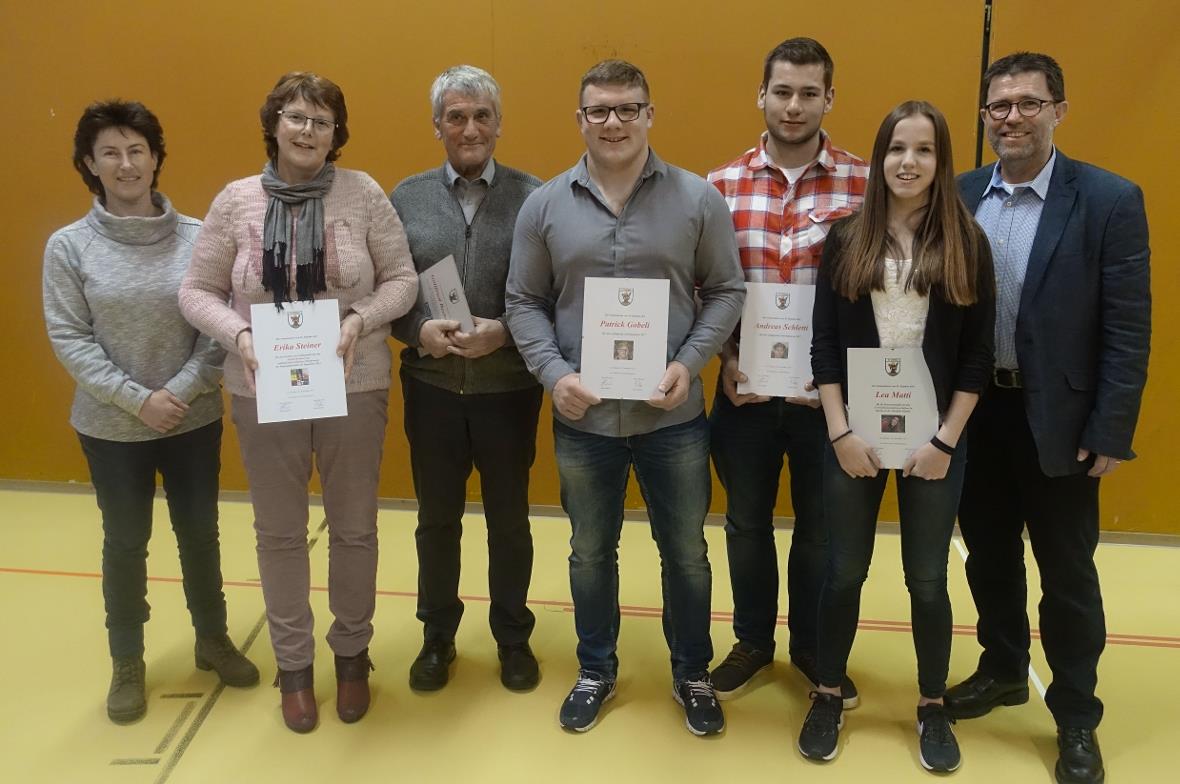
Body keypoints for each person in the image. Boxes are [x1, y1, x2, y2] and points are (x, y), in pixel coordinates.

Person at [506, 59, 745, 736]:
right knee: (589, 551)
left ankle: (692, 672)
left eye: (628, 108)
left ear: (650, 115)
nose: (614, 122)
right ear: (579, 120)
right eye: (599, 111)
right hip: (584, 419)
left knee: (687, 553)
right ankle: (595, 669)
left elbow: (726, 290)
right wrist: (556, 375)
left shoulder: (699, 200)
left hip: (674, 417)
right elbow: (522, 302)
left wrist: (688, 363)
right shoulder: (545, 205)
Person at [179, 72, 418, 733]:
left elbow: (402, 280)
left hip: (356, 381)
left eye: (322, 121)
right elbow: (195, 291)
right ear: (274, 123)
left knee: (354, 529)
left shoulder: (364, 194)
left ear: (337, 134)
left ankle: (351, 656)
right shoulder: (235, 201)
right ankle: (293, 668)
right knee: (279, 534)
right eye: (296, 117)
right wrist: (240, 334)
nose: (308, 130)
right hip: (262, 387)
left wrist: (359, 320)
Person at [945, 52, 1150, 784]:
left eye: (1028, 103)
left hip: (1061, 421)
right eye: (999, 106)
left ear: (1059, 109)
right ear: (984, 117)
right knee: (989, 557)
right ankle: (1002, 668)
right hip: (976, 413)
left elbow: (1128, 326)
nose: (1012, 117)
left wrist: (1111, 427)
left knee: (1067, 575)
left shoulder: (1109, 199)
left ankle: (1075, 715)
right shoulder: (959, 193)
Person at [43, 100, 258, 725]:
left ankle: (212, 639)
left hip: (191, 419)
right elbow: (69, 338)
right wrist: (140, 400)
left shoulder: (198, 237)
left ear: (157, 158)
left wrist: (182, 392)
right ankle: (128, 661)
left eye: (137, 149)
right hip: (111, 427)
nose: (126, 163)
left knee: (200, 534)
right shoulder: (69, 247)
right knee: (126, 542)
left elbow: (220, 326)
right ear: (90, 163)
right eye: (110, 151)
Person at [798, 101, 995, 773]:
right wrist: (840, 432)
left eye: (924, 150)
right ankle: (827, 691)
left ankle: (933, 704)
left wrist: (943, 443)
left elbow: (975, 359)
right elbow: (822, 347)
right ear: (879, 159)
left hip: (933, 440)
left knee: (927, 578)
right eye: (896, 149)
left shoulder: (968, 243)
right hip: (854, 435)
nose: (908, 162)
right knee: (843, 571)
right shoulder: (846, 238)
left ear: (942, 162)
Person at [706, 37, 868, 706]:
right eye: (783, 91)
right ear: (761, 96)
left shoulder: (867, 184)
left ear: (829, 98)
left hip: (827, 404)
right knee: (745, 524)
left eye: (809, 93)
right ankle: (751, 639)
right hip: (744, 396)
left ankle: (808, 644)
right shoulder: (716, 187)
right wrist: (724, 356)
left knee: (820, 531)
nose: (794, 105)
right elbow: (701, 290)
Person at [389, 65, 544, 693]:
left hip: (509, 388)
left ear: (499, 124)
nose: (470, 127)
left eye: (482, 115)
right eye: (456, 116)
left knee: (509, 521)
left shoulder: (536, 197)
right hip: (431, 389)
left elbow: (550, 293)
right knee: (437, 520)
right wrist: (417, 330)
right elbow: (388, 291)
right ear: (438, 126)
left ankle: (512, 637)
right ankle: (438, 637)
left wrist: (503, 331)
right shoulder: (405, 197)